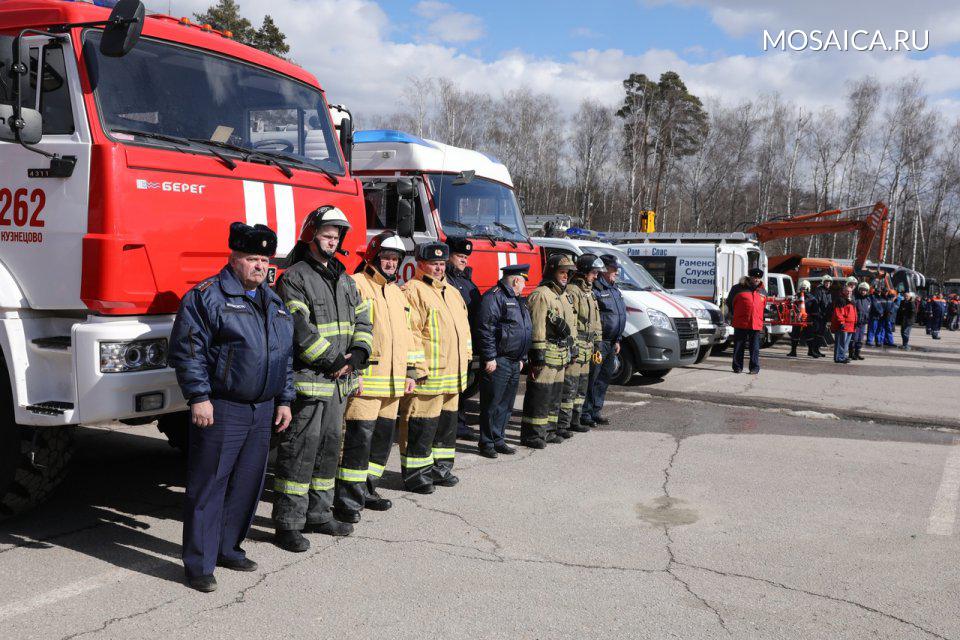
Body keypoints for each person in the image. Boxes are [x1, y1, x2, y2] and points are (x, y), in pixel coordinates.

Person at [168, 222, 294, 593]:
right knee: (209, 486)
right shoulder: (207, 296)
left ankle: (228, 549)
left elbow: (284, 357)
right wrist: (199, 397)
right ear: (234, 258)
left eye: (265, 259)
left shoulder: (272, 300)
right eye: (252, 258)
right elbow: (188, 352)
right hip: (223, 407)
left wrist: (284, 399)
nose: (260, 265)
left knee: (247, 485)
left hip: (263, 408)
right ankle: (199, 564)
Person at [272, 206, 372, 553]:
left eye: (337, 236)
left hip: (338, 383)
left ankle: (318, 514)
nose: (333, 241)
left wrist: (358, 355)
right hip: (312, 381)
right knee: (300, 452)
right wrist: (333, 359)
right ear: (311, 235)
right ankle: (288, 523)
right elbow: (298, 328)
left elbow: (364, 319)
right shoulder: (294, 277)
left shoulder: (344, 279)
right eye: (327, 235)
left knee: (329, 451)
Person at [332, 231, 422, 523]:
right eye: (386, 257)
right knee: (357, 443)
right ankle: (346, 500)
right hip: (367, 383)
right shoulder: (356, 284)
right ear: (373, 257)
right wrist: (353, 374)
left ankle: (368, 490)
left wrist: (410, 372)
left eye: (395, 259)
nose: (391, 263)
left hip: (394, 385)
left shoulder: (398, 293)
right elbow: (347, 333)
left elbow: (408, 336)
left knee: (381, 444)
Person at [398, 242, 472, 493]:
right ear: (420, 264)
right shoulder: (413, 290)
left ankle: (440, 469)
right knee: (421, 426)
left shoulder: (451, 291)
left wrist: (468, 357)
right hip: (429, 376)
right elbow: (411, 333)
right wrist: (416, 368)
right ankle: (417, 475)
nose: (439, 268)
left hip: (453, 375)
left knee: (445, 428)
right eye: (434, 264)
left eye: (442, 264)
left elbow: (464, 329)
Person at [474, 264, 532, 458]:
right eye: (524, 282)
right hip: (498, 360)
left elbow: (523, 328)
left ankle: (499, 439)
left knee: (506, 404)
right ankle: (487, 442)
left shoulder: (517, 299)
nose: (524, 286)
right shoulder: (494, 297)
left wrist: (523, 357)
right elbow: (485, 328)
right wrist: (489, 356)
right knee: (492, 403)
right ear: (516, 280)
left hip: (514, 361)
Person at [521, 254, 577, 448]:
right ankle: (532, 435)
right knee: (539, 395)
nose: (565, 276)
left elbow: (571, 324)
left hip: (561, 354)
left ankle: (549, 431)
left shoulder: (562, 295)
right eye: (561, 272)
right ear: (551, 271)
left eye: (567, 273)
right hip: (547, 353)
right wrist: (537, 355)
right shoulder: (541, 294)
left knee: (554, 396)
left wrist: (573, 348)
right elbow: (537, 326)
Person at [558, 254, 603, 436]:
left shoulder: (589, 292)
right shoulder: (573, 291)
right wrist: (573, 346)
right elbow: (572, 321)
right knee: (570, 386)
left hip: (588, 347)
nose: (596, 276)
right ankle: (563, 424)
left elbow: (596, 320)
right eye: (594, 272)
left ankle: (575, 420)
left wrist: (597, 342)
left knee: (581, 387)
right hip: (578, 346)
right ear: (584, 272)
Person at [444, 237, 481, 442]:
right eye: (460, 256)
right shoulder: (447, 280)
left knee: (463, 385)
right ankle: (454, 424)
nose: (464, 260)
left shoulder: (466, 280)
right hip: (451, 344)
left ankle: (458, 421)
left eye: (466, 257)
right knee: (452, 386)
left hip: (466, 342)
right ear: (448, 255)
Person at [582, 254, 627, 427]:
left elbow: (618, 316)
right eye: (614, 269)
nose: (616, 272)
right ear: (605, 270)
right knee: (593, 377)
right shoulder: (595, 289)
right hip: (599, 342)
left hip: (611, 342)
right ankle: (585, 413)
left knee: (604, 378)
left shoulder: (614, 289)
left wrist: (618, 339)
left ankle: (596, 410)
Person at [727, 268, 766, 374]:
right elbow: (729, 302)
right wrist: (734, 314)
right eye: (755, 277)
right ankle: (737, 367)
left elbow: (763, 305)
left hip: (756, 323)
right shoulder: (737, 288)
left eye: (758, 277)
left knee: (755, 348)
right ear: (750, 277)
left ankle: (754, 368)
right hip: (741, 322)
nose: (757, 279)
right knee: (739, 346)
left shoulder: (762, 290)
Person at [787, 279, 819, 358]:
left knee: (807, 335)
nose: (803, 290)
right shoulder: (808, 298)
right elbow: (791, 306)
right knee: (798, 335)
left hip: (805, 319)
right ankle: (795, 351)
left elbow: (815, 310)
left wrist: (813, 319)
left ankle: (807, 351)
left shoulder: (808, 298)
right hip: (802, 319)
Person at [832, 283, 857, 363]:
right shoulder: (841, 300)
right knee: (840, 342)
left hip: (851, 325)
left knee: (845, 343)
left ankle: (842, 356)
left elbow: (854, 312)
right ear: (843, 291)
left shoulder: (851, 300)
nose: (849, 293)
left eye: (850, 291)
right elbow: (838, 312)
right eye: (847, 291)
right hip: (843, 325)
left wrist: (856, 322)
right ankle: (839, 357)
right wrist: (842, 322)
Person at [811, 276, 834, 351]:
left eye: (829, 282)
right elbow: (817, 302)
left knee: (821, 333)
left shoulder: (828, 292)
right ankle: (814, 350)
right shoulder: (819, 290)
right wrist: (818, 313)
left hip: (825, 315)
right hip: (819, 315)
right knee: (817, 333)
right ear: (823, 282)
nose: (828, 283)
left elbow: (829, 304)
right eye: (826, 282)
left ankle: (817, 350)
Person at [850, 282, 872, 360]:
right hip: (855, 323)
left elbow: (868, 311)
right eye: (862, 290)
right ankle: (851, 354)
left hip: (863, 323)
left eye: (865, 290)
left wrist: (867, 319)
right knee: (854, 339)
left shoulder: (868, 300)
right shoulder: (855, 298)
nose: (863, 292)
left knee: (860, 339)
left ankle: (857, 353)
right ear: (859, 290)